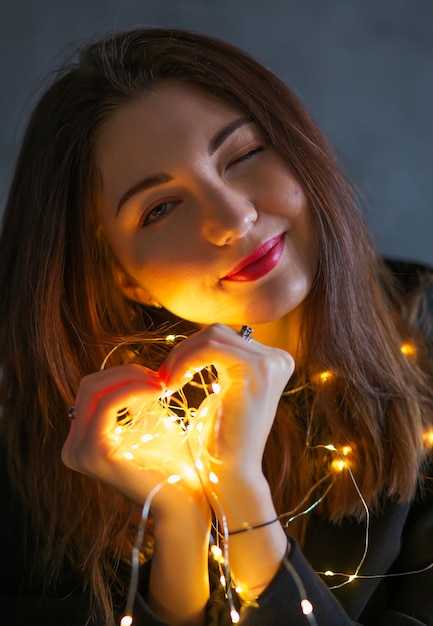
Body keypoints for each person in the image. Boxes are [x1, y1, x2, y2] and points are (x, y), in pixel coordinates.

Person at [0, 27, 432, 626]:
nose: (233, 218)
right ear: (123, 274)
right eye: (159, 209)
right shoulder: (68, 445)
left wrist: (242, 496)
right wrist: (179, 523)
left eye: (245, 155)